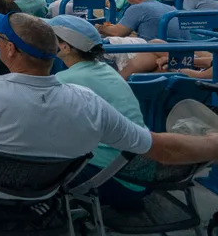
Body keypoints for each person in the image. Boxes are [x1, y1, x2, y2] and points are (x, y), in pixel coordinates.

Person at [0, 10, 218, 202]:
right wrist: (215, 146)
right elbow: (158, 148)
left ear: (9, 50)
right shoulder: (87, 100)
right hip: (44, 193)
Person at [48, 15, 150, 211]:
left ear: (65, 47)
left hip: (113, 179)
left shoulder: (64, 80)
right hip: (141, 175)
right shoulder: (107, 70)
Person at [98, 0, 184, 41]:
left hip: (155, 52)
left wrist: (99, 28)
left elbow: (118, 32)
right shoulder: (171, 8)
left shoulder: (137, 8)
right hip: (182, 48)